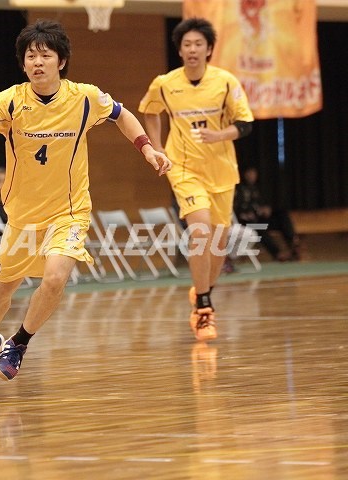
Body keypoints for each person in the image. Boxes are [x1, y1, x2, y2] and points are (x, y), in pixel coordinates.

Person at [0, 19, 171, 389]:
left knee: (55, 278)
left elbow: (122, 115)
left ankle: (19, 342)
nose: (37, 62)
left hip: (69, 212)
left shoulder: (85, 98)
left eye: (45, 55)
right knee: (1, 289)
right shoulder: (11, 101)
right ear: (23, 64)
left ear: (62, 61)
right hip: (23, 216)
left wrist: (147, 148)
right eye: (30, 56)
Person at [139, 17, 254, 342]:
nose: (192, 49)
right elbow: (150, 111)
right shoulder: (165, 83)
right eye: (186, 44)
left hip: (222, 171)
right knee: (200, 231)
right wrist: (157, 148)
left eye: (198, 44)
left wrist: (220, 135)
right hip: (184, 168)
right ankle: (204, 310)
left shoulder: (226, 82)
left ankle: (202, 290)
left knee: (218, 245)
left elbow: (245, 124)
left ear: (209, 49)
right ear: (180, 50)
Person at [234, 166, 300, 261]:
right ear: (245, 174)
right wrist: (245, 214)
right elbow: (235, 209)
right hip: (246, 223)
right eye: (250, 173)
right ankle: (277, 253)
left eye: (254, 173)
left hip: (259, 219)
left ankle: (293, 241)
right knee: (259, 228)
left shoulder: (256, 188)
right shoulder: (238, 189)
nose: (252, 176)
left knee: (281, 214)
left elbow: (261, 204)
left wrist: (265, 209)